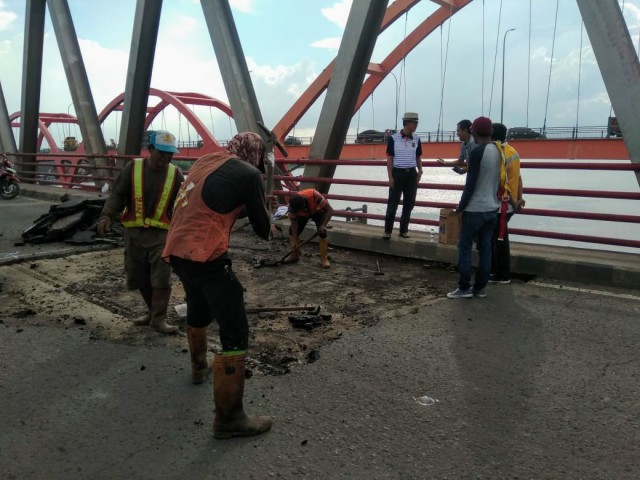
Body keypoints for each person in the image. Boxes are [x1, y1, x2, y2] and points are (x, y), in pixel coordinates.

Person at [161, 132, 274, 439]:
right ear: (257, 153)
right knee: (234, 324)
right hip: (206, 253)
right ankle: (229, 419)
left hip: (178, 249)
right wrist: (265, 210)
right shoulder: (250, 174)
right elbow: (263, 231)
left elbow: (217, 201)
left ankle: (199, 368)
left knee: (198, 304)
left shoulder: (206, 161)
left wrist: (253, 204)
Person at [97, 130, 184, 333]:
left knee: (161, 278)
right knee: (139, 277)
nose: (166, 157)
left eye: (170, 153)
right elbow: (117, 195)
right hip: (134, 235)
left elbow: (184, 204)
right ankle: (152, 313)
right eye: (162, 152)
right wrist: (106, 215)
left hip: (161, 236)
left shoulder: (175, 174)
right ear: (150, 149)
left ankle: (159, 319)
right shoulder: (133, 168)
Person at [447, 116, 501, 299]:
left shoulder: (477, 153)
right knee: (486, 248)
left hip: (474, 209)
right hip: (492, 208)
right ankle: (480, 288)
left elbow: (470, 184)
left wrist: (460, 208)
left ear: (474, 132)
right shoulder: (498, 150)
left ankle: (464, 288)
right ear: (491, 132)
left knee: (464, 247)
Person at [490, 123, 526, 284]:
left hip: (502, 205)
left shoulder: (499, 153)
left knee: (498, 240)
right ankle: (498, 272)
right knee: (499, 239)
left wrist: (513, 201)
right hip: (509, 204)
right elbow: (518, 177)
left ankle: (501, 274)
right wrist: (519, 199)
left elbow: (503, 182)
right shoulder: (513, 152)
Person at [383, 111, 423, 239]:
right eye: (414, 123)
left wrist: (420, 171)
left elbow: (418, 157)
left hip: (411, 173)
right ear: (407, 123)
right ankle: (387, 231)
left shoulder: (416, 139)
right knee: (393, 203)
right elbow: (389, 158)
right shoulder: (394, 138)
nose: (416, 125)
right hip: (398, 172)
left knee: (409, 203)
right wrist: (390, 177)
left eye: (416, 123)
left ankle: (403, 230)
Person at [283, 189, 333, 268]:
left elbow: (330, 210)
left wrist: (323, 225)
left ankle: (324, 259)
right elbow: (294, 223)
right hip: (304, 213)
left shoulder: (314, 195)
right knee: (292, 231)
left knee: (322, 233)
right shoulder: (292, 206)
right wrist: (294, 240)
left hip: (319, 211)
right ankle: (294, 255)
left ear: (302, 206)